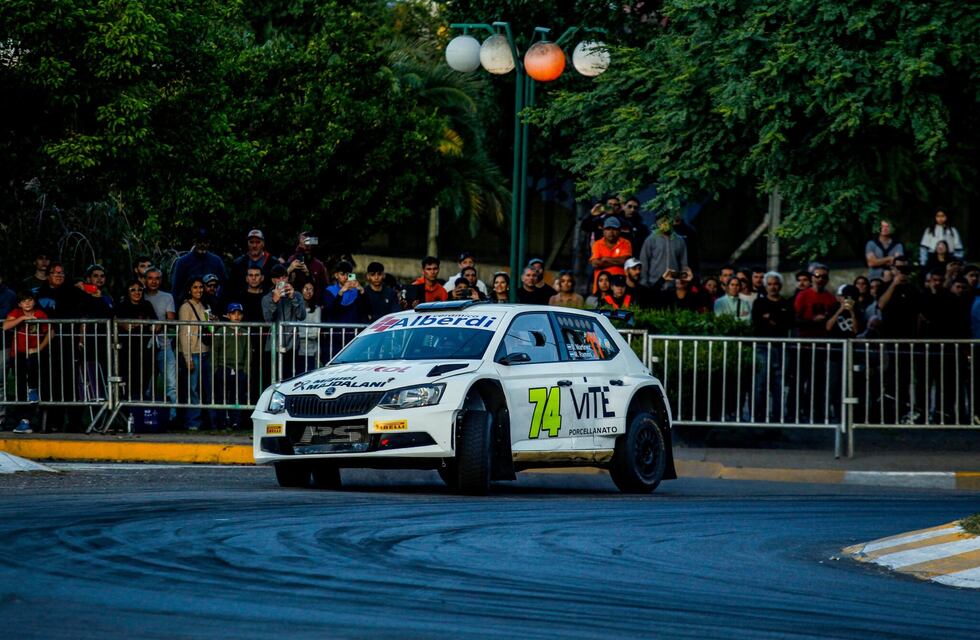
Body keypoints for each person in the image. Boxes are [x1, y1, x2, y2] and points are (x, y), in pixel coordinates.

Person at [4, 292, 51, 433]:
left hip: (34, 354)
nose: (27, 303)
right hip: (17, 354)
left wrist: (38, 348)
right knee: (20, 387)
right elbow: (6, 326)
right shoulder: (16, 312)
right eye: (24, 301)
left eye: (30, 300)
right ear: (19, 304)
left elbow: (51, 332)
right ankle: (23, 422)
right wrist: (23, 318)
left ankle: (30, 417)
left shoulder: (41, 314)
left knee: (34, 385)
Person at [751, 272, 795, 421]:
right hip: (763, 347)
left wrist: (770, 318)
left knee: (779, 385)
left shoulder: (786, 303)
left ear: (780, 286)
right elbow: (757, 321)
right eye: (769, 284)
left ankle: (777, 419)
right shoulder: (759, 303)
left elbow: (787, 322)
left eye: (775, 284)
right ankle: (759, 418)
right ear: (765, 286)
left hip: (781, 347)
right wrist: (773, 319)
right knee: (760, 384)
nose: (772, 287)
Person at [178, 277, 215, 430]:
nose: (198, 290)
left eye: (201, 287)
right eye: (195, 287)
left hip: (205, 352)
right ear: (189, 289)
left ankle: (206, 420)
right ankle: (192, 421)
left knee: (205, 388)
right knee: (192, 389)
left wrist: (214, 322)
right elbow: (183, 333)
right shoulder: (185, 307)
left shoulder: (206, 306)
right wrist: (187, 358)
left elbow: (209, 329)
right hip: (192, 352)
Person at [142, 266, 178, 423]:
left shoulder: (167, 297)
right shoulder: (138, 294)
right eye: (150, 278)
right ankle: (148, 417)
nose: (153, 281)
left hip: (164, 345)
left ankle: (173, 417)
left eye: (157, 278)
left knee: (171, 383)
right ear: (144, 280)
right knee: (147, 385)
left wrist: (159, 326)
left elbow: (170, 319)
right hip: (144, 347)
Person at [114, 279, 157, 402]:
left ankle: (139, 406)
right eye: (133, 290)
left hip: (144, 350)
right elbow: (116, 322)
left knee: (143, 379)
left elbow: (155, 323)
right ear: (127, 292)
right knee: (126, 379)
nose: (137, 292)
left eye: (140, 289)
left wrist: (150, 325)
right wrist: (125, 325)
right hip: (125, 351)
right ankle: (126, 410)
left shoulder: (147, 305)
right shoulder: (122, 305)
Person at [262, 264, 306, 379]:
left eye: (284, 277)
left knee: (291, 379)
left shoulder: (297, 295)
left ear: (288, 278)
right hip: (273, 346)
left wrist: (292, 298)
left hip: (293, 345)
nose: (281, 280)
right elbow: (268, 320)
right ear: (273, 280)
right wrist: (274, 301)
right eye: (278, 278)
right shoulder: (267, 298)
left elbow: (302, 316)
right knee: (274, 379)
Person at [211, 302, 251, 429]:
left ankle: (236, 422)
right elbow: (215, 351)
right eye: (233, 313)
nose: (236, 316)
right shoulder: (221, 330)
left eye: (239, 314)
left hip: (239, 369)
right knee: (221, 396)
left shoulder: (245, 332)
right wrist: (215, 368)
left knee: (237, 397)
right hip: (223, 368)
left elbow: (248, 352)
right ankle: (222, 421)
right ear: (228, 315)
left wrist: (245, 370)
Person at [171, 228, 227, 304]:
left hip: (211, 306)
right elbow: (176, 288)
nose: (202, 245)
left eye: (205, 242)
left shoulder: (216, 261)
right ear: (194, 242)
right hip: (190, 306)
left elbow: (224, 285)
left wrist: (218, 300)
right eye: (199, 242)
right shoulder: (182, 262)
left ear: (209, 243)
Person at [639, 213, 688, 289]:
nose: (664, 224)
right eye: (661, 222)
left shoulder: (679, 240)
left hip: (674, 286)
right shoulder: (651, 239)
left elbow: (684, 263)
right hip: (654, 284)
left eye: (666, 221)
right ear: (657, 224)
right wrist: (643, 283)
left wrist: (683, 282)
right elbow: (644, 261)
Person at [229, 229, 279, 299]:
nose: (254, 245)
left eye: (258, 242)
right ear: (247, 243)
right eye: (251, 242)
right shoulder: (238, 263)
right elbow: (231, 288)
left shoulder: (273, 263)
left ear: (263, 243)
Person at [589, 216, 632, 293]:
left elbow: (625, 261)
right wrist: (617, 261)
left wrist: (605, 259)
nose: (611, 232)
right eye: (608, 229)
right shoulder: (597, 244)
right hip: (601, 287)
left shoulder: (626, 243)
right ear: (603, 231)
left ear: (619, 230)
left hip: (619, 287)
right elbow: (595, 264)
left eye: (614, 229)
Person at [285, 231, 329, 296]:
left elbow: (324, 287)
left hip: (312, 302)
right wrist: (289, 269)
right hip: (294, 301)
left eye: (309, 241)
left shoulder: (319, 265)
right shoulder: (292, 260)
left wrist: (308, 274)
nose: (306, 245)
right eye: (303, 241)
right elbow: (281, 281)